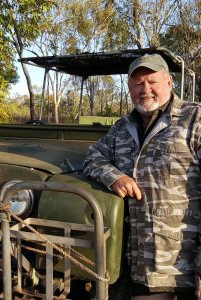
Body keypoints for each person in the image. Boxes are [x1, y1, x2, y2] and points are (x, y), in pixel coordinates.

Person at [83, 53, 201, 300]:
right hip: (136, 262)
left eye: (151, 81)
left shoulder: (194, 120)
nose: (144, 89)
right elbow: (93, 157)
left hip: (182, 262)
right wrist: (114, 177)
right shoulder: (121, 128)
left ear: (169, 82)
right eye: (137, 84)